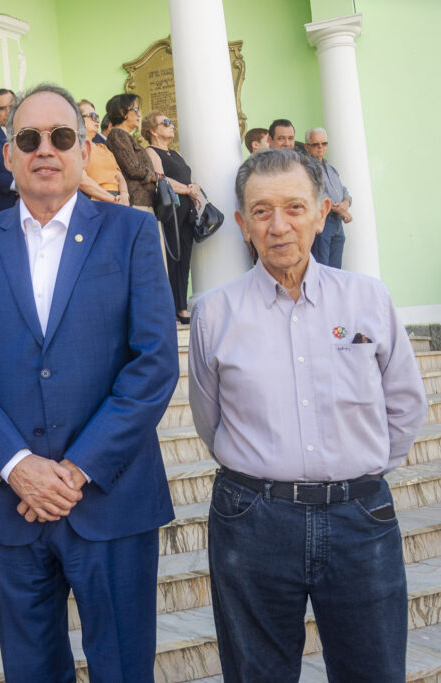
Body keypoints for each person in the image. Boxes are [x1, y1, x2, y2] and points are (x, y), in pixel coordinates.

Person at [0, 83, 179, 683]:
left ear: (83, 145)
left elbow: (153, 364)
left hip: (109, 497)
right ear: (8, 155)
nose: (46, 149)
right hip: (12, 502)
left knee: (123, 669)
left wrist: (75, 469)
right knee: (32, 670)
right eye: (28, 139)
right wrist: (17, 464)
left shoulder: (133, 233)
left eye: (61, 137)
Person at [189, 148, 427, 683]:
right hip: (252, 520)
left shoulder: (367, 299)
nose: (279, 226)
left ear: (322, 213)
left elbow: (406, 404)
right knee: (257, 674)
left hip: (360, 520)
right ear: (244, 223)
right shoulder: (214, 313)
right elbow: (210, 419)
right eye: (262, 211)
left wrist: (356, 471)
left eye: (295, 208)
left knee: (374, 670)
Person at [142, 111, 202, 324]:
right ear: (152, 130)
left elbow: (187, 176)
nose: (171, 125)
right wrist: (187, 190)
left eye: (171, 122)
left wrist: (194, 187)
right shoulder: (151, 151)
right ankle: (170, 308)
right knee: (171, 257)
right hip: (172, 207)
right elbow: (160, 178)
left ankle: (182, 306)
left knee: (184, 258)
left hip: (186, 207)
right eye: (166, 123)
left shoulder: (175, 153)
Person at [306, 127, 352, 269]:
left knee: (336, 270)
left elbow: (343, 190)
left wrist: (346, 202)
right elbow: (317, 194)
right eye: (315, 144)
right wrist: (342, 211)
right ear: (307, 147)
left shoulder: (330, 168)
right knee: (322, 269)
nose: (320, 147)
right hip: (323, 223)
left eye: (324, 143)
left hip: (337, 224)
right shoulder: (307, 168)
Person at [104, 93, 158, 212]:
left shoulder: (125, 136)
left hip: (144, 201)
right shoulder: (118, 135)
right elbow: (133, 168)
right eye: (135, 109)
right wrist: (155, 177)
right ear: (122, 112)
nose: (139, 114)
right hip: (137, 202)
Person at [78, 99, 129, 205]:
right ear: (78, 120)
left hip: (118, 200)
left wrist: (124, 195)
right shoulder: (75, 147)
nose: (97, 120)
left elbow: (119, 177)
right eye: (92, 116)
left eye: (97, 117)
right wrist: (112, 199)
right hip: (96, 201)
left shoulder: (103, 147)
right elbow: (82, 181)